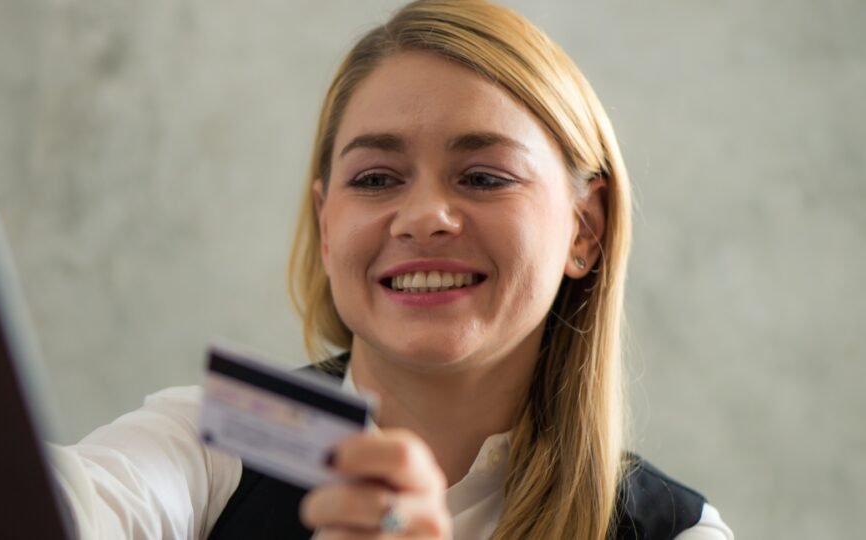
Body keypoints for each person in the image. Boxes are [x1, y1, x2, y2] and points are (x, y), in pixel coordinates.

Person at [47, 1, 734, 538]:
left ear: (585, 227)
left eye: (485, 177)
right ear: (325, 224)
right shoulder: (216, 434)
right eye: (376, 178)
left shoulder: (677, 533)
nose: (423, 216)